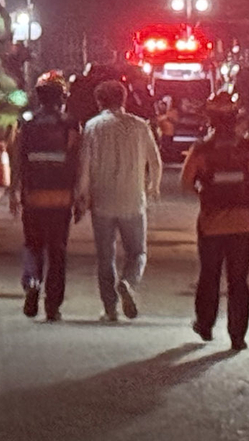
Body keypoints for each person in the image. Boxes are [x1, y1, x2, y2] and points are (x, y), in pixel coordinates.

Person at [181, 92, 249, 351]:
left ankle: (205, 325)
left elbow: (186, 182)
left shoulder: (201, 149)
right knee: (238, 280)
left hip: (211, 223)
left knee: (209, 274)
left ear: (210, 120)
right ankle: (238, 336)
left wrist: (204, 195)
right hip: (243, 223)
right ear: (236, 119)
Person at [77, 80, 163, 322]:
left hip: (102, 201)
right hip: (133, 200)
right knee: (137, 253)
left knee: (106, 256)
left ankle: (110, 309)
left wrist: (81, 195)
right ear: (124, 99)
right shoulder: (140, 126)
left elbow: (84, 165)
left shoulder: (92, 127)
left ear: (99, 101)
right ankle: (128, 283)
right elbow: (155, 161)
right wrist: (152, 187)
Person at [9, 73, 82, 321]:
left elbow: (17, 156)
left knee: (33, 246)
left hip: (33, 196)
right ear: (61, 97)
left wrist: (13, 190)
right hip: (61, 198)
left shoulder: (26, 121)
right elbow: (76, 159)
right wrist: (79, 194)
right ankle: (53, 306)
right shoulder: (70, 123)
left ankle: (31, 282)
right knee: (57, 251)